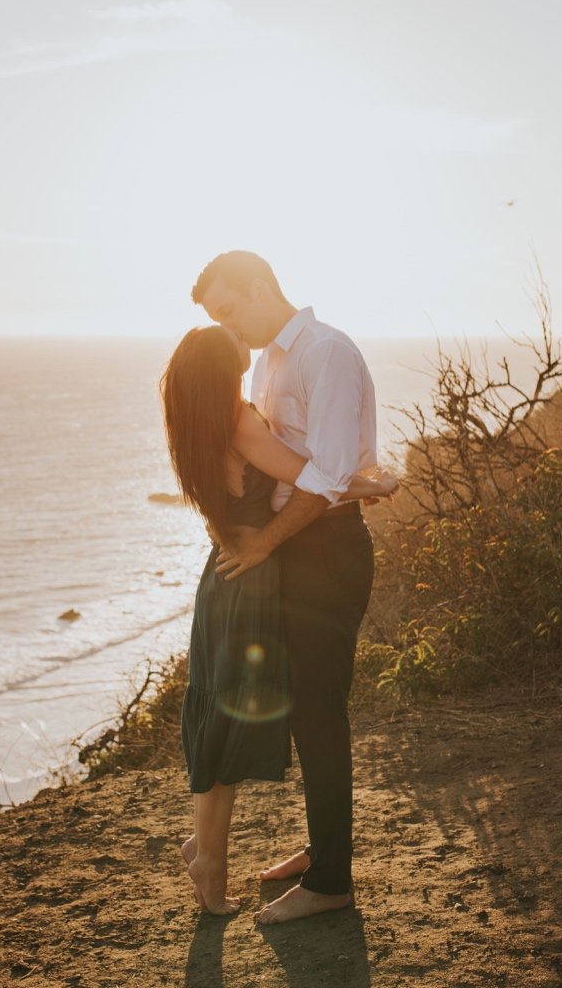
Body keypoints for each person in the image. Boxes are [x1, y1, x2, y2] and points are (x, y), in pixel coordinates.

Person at [160, 324, 393, 916]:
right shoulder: (237, 418)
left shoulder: (192, 427)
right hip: (249, 583)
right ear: (221, 367)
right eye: (227, 335)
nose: (241, 337)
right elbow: (306, 474)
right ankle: (210, 863)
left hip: (221, 580)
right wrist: (375, 483)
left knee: (217, 714)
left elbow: (216, 511)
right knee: (229, 720)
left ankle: (204, 843)